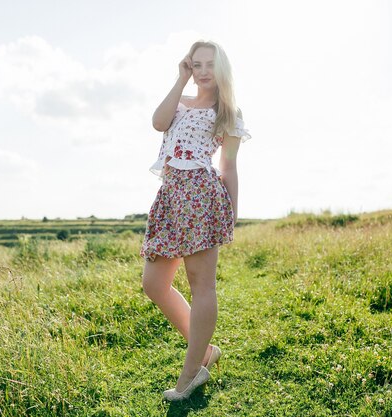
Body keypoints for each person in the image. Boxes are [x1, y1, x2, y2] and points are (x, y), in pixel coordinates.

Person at [140, 40, 251, 401]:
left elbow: (229, 167)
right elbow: (158, 123)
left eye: (209, 65)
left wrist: (230, 215)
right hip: (171, 197)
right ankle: (204, 350)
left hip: (201, 196)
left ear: (221, 70)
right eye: (197, 64)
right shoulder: (181, 103)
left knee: (201, 285)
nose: (203, 71)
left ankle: (191, 374)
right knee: (154, 284)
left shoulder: (228, 113)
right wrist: (179, 79)